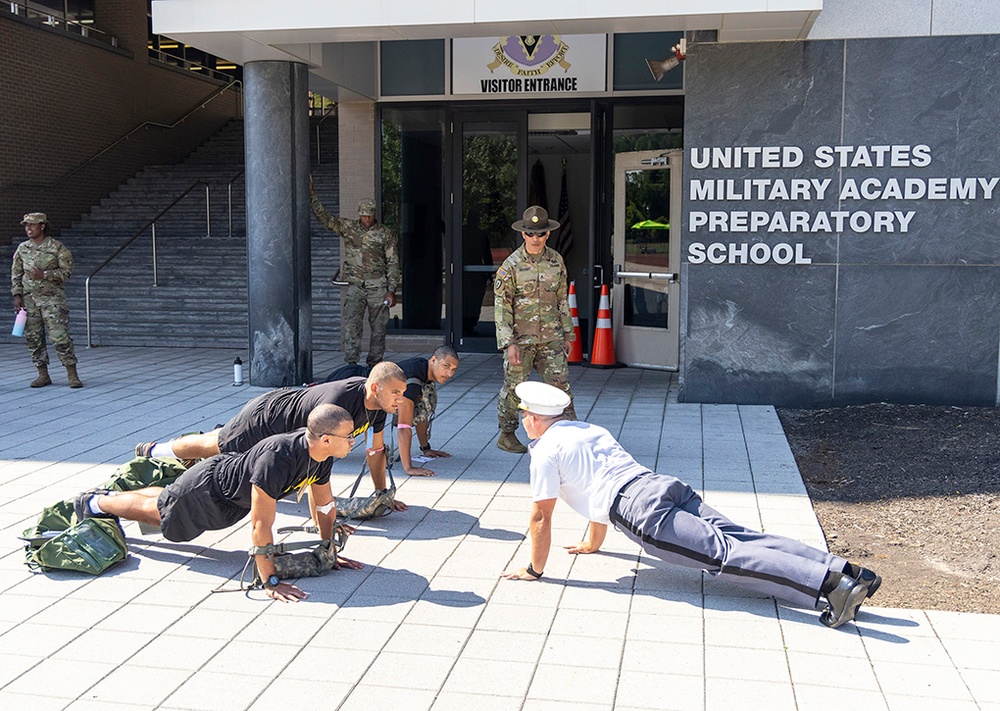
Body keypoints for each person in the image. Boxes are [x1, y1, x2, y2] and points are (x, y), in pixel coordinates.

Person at [501, 382, 882, 629]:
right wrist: (592, 543)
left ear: (533, 419)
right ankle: (849, 572)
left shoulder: (545, 451)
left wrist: (535, 570)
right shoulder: (588, 430)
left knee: (727, 556)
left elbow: (541, 516)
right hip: (661, 485)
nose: (524, 423)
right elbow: (596, 488)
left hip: (642, 512)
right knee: (744, 537)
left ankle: (833, 587)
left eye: (524, 418)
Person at [77, 405, 363, 602]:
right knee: (161, 518)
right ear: (326, 439)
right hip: (209, 491)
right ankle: (97, 502)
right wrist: (270, 580)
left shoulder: (320, 457)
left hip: (228, 496)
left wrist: (329, 551)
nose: (353, 441)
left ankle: (116, 496)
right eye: (349, 436)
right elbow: (261, 523)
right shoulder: (277, 459)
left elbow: (325, 507)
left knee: (166, 500)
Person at [134, 362, 410, 511]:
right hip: (267, 417)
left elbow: (376, 453)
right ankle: (155, 450)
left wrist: (381, 494)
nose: (401, 399)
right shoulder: (339, 402)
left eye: (402, 393)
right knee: (215, 446)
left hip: (286, 428)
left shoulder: (378, 408)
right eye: (395, 392)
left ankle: (166, 451)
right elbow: (311, 451)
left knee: (218, 442)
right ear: (374, 387)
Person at [493, 205, 576, 454]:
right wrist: (509, 343)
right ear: (523, 235)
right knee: (514, 388)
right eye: (531, 234)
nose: (536, 239)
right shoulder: (511, 266)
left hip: (551, 338)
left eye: (540, 234)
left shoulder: (556, 261)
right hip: (521, 340)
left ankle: (569, 432)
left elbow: (562, 301)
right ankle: (507, 434)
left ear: (548, 234)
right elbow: (502, 307)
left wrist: (568, 334)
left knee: (560, 385)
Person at [310, 178, 401, 368]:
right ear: (359, 214)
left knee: (378, 329)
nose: (366, 219)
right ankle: (351, 363)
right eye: (363, 216)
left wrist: (391, 289)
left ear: (374, 214)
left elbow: (393, 262)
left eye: (368, 216)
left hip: (377, 286)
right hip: (355, 286)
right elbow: (325, 219)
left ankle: (375, 364)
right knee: (352, 326)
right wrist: (312, 196)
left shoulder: (384, 233)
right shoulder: (349, 228)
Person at [10, 212, 83, 388]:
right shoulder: (22, 248)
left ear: (42, 226)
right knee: (33, 338)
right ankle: (42, 374)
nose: (28, 228)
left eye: (32, 225)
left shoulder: (57, 247)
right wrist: (17, 296)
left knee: (59, 337)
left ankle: (71, 373)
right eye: (26, 225)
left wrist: (44, 274)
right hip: (29, 301)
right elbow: (16, 274)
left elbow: (66, 272)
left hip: (52, 300)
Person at [391, 346, 460, 477]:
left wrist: (426, 448)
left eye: (453, 370)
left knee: (424, 398)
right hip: (351, 388)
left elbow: (420, 412)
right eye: (446, 366)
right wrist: (409, 468)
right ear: (434, 360)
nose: (449, 374)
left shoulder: (424, 368)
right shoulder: (412, 383)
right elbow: (403, 427)